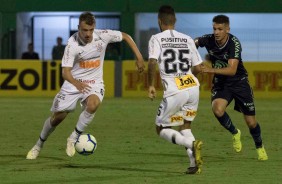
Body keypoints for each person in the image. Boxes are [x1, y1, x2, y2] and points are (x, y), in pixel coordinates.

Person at [26, 12, 145, 159]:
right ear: (78, 28)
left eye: (90, 30)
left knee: (93, 104)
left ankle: (73, 138)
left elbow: (126, 36)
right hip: (73, 83)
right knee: (57, 118)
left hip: (94, 83)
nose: (88, 34)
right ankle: (38, 145)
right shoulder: (72, 45)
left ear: (94, 27)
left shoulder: (103, 35)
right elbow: (65, 73)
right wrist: (77, 84)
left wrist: (139, 57)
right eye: (84, 30)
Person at [194, 14, 268, 160]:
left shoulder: (234, 43)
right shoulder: (209, 39)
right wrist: (190, 47)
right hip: (222, 83)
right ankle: (235, 132)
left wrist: (210, 70)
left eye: (220, 29)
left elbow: (232, 70)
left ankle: (259, 147)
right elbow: (193, 42)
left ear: (227, 29)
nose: (216, 32)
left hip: (239, 82)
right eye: (214, 28)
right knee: (217, 109)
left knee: (251, 122)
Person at [148, 5, 203, 174]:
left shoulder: (156, 38)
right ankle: (194, 164)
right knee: (185, 127)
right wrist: (187, 79)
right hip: (192, 87)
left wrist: (150, 85)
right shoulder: (187, 39)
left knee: (161, 128)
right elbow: (199, 68)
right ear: (175, 20)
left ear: (159, 21)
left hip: (174, 90)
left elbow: (151, 62)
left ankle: (190, 144)